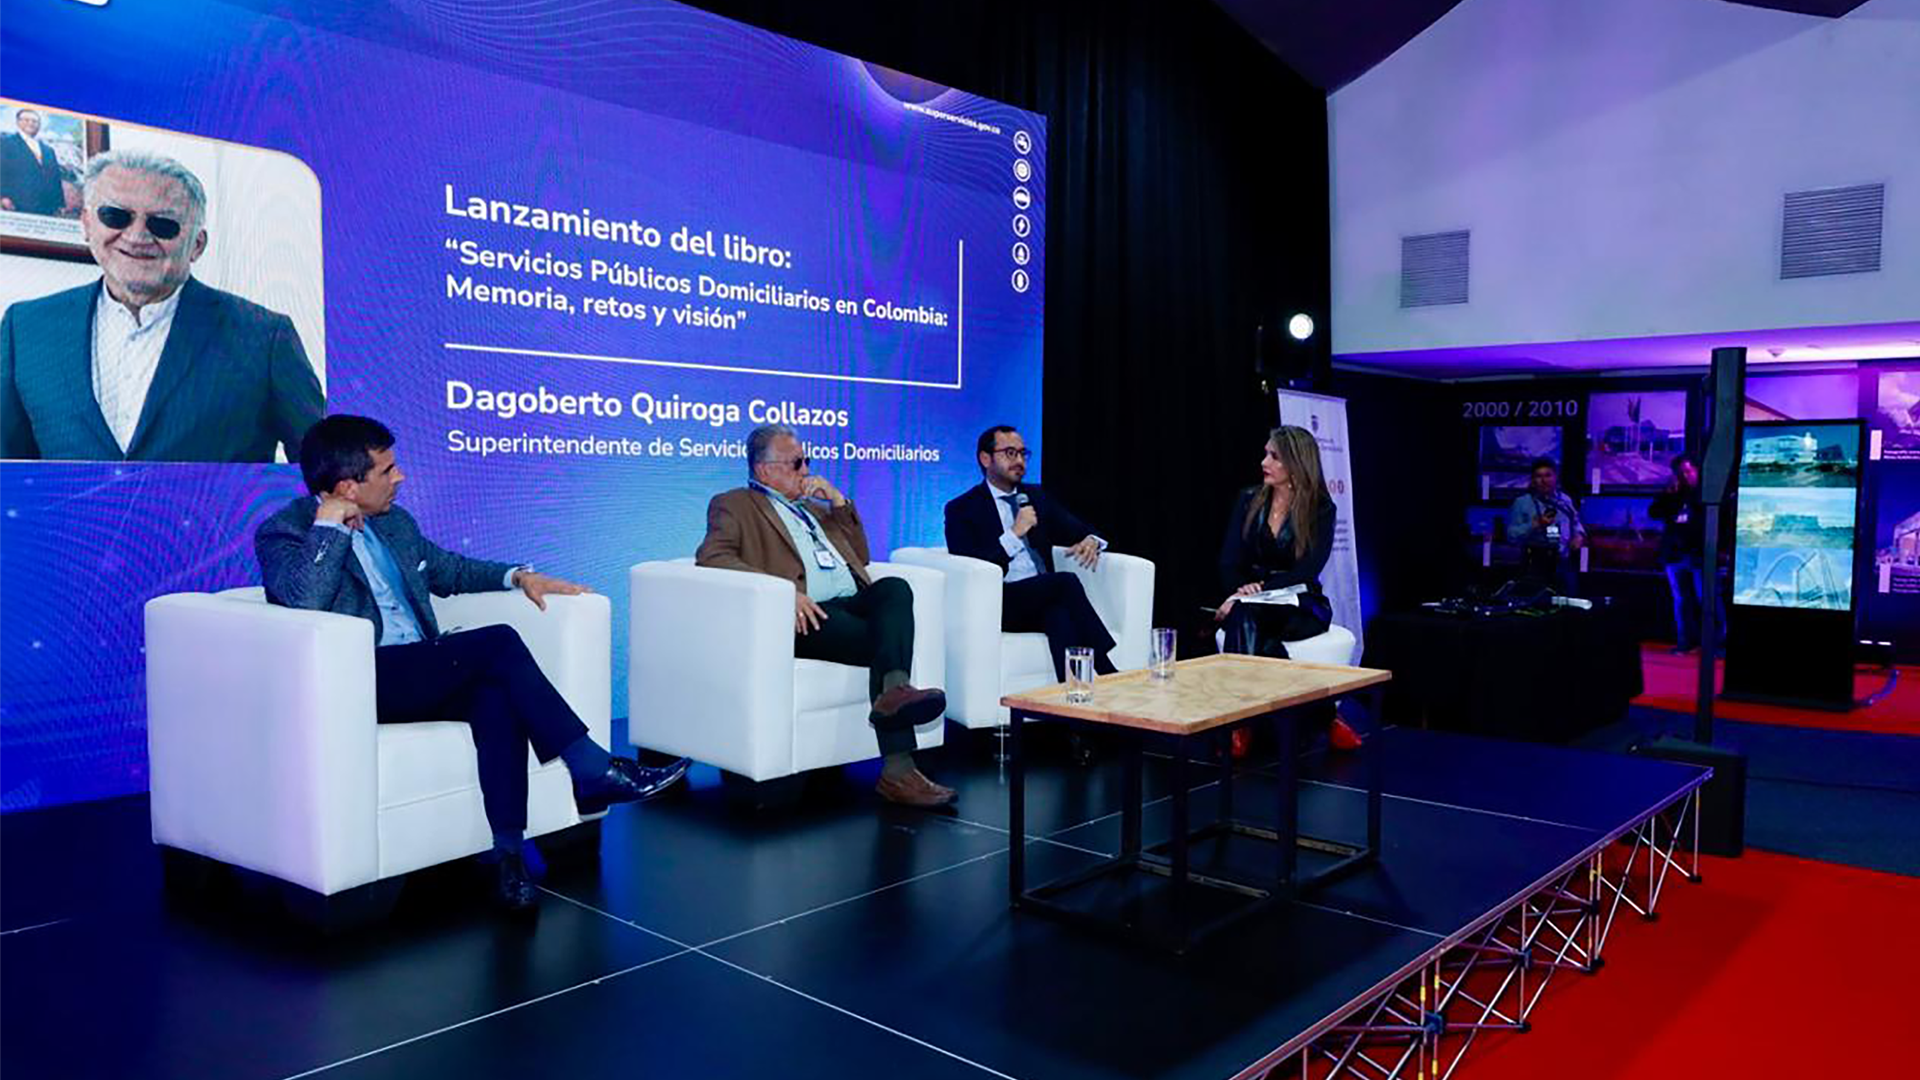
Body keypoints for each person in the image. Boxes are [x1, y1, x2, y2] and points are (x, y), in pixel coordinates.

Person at [256, 416, 687, 913]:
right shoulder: (285, 531)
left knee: (496, 696)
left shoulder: (394, 523)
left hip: (421, 669)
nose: (401, 478)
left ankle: (508, 860)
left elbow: (450, 570)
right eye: (388, 470)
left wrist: (518, 577)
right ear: (348, 486)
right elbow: (304, 599)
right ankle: (591, 767)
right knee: (499, 644)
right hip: (361, 678)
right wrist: (329, 525)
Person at [0, 149, 323, 462]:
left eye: (163, 224)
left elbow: (334, 474)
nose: (137, 236)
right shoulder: (25, 326)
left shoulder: (265, 337)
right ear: (86, 224)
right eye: (115, 216)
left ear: (197, 244)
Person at [696, 424, 954, 808]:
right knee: (883, 642)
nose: (806, 469)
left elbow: (861, 556)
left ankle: (894, 690)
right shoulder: (734, 504)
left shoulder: (814, 509)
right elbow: (712, 556)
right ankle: (899, 771)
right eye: (797, 462)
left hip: (852, 601)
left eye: (807, 461)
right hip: (808, 615)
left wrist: (837, 502)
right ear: (764, 470)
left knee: (895, 588)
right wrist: (784, 592)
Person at [1215, 425, 1361, 752]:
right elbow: (1228, 560)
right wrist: (1241, 591)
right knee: (1251, 624)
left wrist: (1256, 592)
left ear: (1296, 463)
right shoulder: (1248, 499)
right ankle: (1322, 716)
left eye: (1274, 456)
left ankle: (1240, 724)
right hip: (1251, 600)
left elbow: (1307, 570)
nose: (1264, 461)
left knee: (1244, 615)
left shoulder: (1322, 509)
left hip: (1300, 601)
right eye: (1266, 453)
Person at [944, 424, 1117, 683]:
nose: (1020, 461)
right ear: (985, 458)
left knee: (1059, 616)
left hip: (1040, 597)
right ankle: (1108, 671)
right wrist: (1014, 534)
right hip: (1000, 601)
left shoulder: (1036, 496)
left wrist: (1092, 539)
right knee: (1064, 583)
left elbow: (1078, 528)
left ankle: (1074, 704)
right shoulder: (962, 509)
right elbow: (971, 569)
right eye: (1010, 453)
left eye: (1024, 454)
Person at [1649, 453, 1722, 654]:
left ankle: (1716, 644)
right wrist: (1668, 493)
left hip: (1700, 553)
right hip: (1674, 554)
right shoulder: (1673, 494)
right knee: (1681, 601)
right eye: (1680, 473)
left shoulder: (1706, 493)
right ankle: (1686, 641)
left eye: (1688, 471)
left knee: (1707, 599)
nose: (1685, 476)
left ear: (1697, 471)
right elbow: (1654, 512)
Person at [1507, 457, 1583, 595]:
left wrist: (1578, 536)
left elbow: (1576, 523)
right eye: (1538, 476)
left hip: (1563, 563)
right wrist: (1534, 525)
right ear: (1532, 480)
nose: (1543, 480)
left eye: (1548, 475)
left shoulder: (1565, 500)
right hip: (1534, 564)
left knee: (1568, 607)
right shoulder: (1522, 503)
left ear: (1556, 477)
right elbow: (1511, 535)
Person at [0, 108, 66, 215]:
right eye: (26, 120)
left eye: (35, 121)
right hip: (18, 203)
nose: (31, 123)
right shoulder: (6, 143)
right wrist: (3, 196)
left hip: (48, 206)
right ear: (18, 122)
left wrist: (60, 203)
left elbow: (55, 177)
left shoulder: (48, 150)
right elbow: (2, 169)